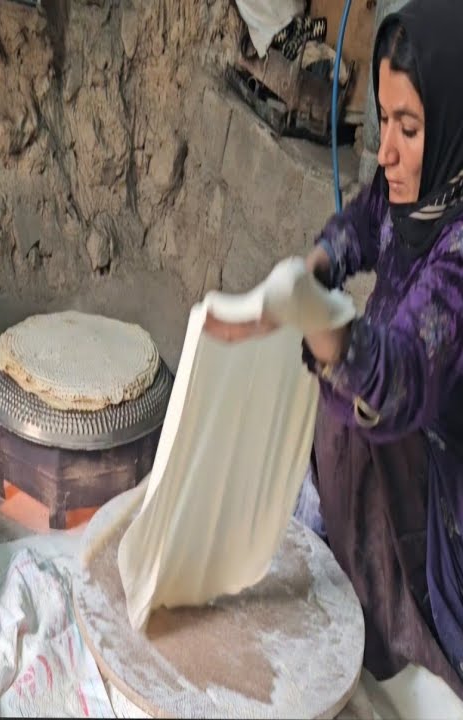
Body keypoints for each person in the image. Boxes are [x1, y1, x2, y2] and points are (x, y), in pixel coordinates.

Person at [205, 0, 463, 697]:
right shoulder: (422, 187)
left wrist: (317, 322)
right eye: (385, 122)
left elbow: (403, 372)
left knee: (419, 677)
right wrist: (317, 268)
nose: (387, 150)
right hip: (402, 439)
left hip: (447, 499)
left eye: (410, 129)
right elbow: (365, 218)